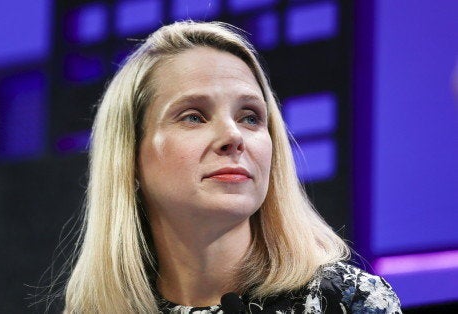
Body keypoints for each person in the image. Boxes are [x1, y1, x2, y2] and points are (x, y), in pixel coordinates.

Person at [61, 21, 401, 313]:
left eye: (250, 117)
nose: (233, 136)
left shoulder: (347, 303)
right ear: (130, 156)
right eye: (193, 116)